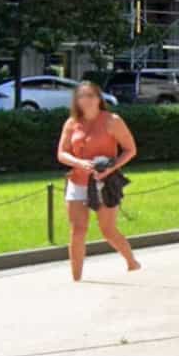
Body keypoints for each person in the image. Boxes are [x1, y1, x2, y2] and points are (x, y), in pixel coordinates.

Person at [56, 80, 140, 282]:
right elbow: (61, 153)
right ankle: (77, 278)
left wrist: (111, 168)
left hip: (104, 182)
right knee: (77, 230)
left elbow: (130, 149)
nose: (86, 100)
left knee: (108, 230)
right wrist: (79, 162)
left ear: (99, 98)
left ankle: (132, 261)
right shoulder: (71, 123)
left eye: (91, 96)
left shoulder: (113, 120)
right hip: (78, 182)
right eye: (82, 96)